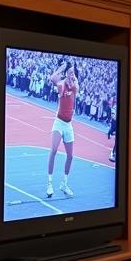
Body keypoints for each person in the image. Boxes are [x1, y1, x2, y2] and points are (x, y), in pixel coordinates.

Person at [46, 59, 79, 198]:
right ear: (66, 74)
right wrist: (62, 67)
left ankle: (64, 184)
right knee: (53, 150)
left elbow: (74, 83)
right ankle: (49, 183)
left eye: (73, 73)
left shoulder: (75, 86)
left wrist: (71, 74)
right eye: (70, 73)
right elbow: (53, 78)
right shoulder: (61, 85)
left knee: (70, 156)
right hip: (59, 123)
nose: (72, 75)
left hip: (68, 124)